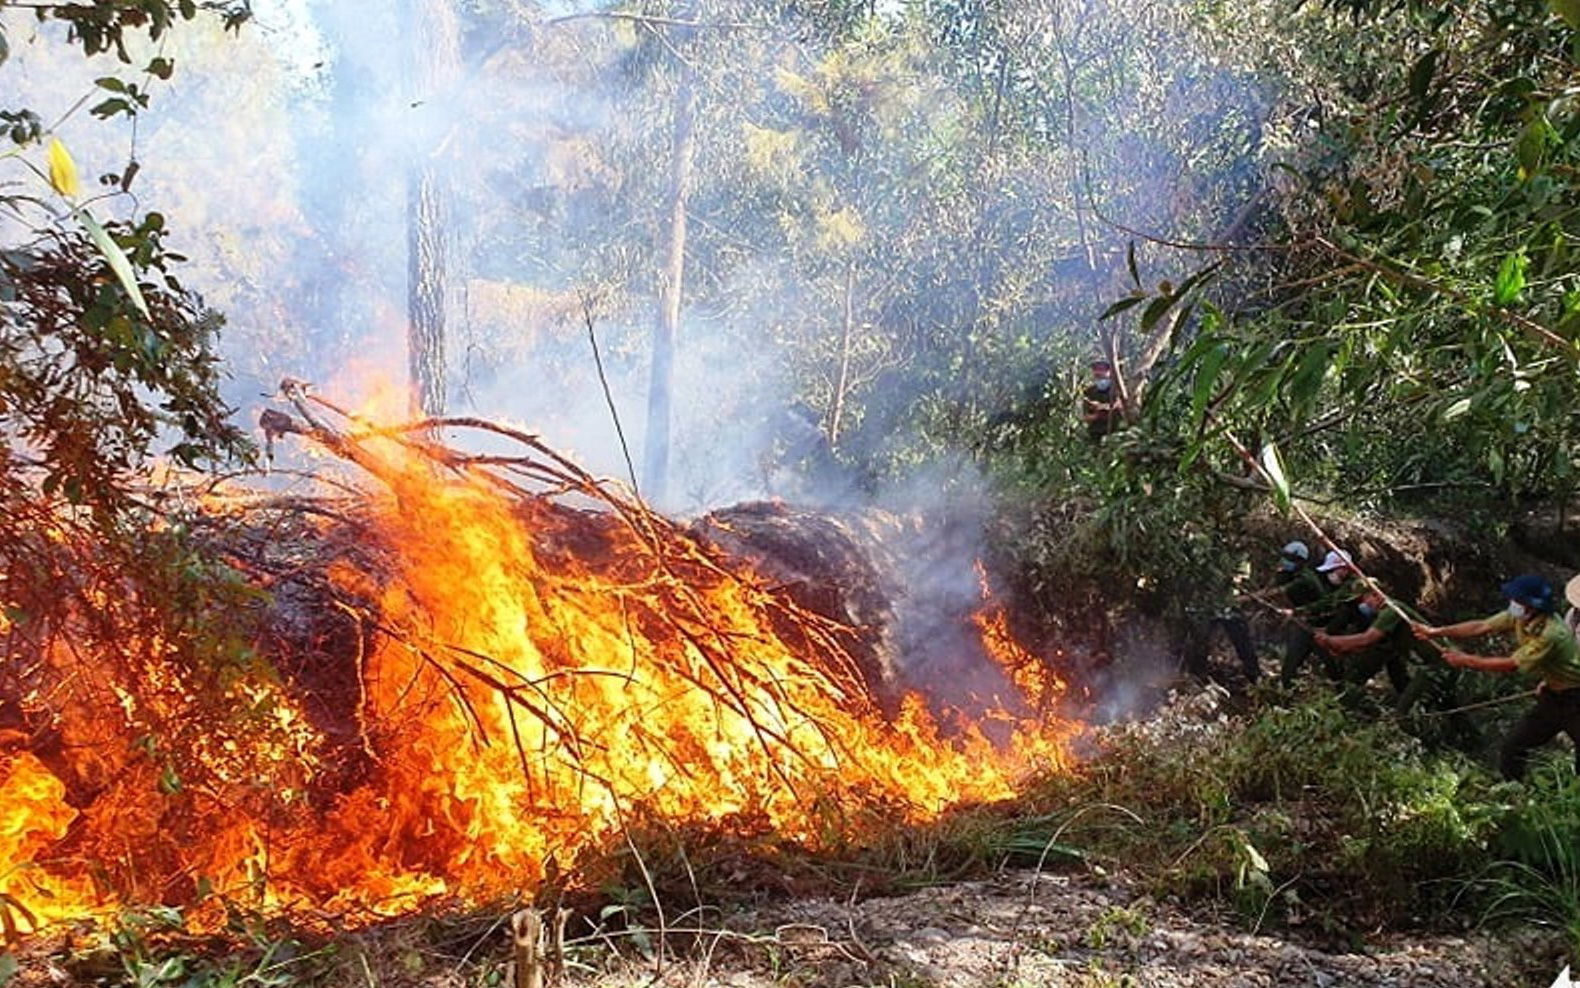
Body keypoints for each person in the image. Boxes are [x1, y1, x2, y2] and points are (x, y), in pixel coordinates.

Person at [1413, 573, 1580, 779]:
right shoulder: (1524, 616)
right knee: (1513, 746)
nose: (1513, 605)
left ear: (1533, 605)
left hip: (1575, 698)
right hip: (1553, 697)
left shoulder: (1552, 633)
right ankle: (1513, 792)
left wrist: (1467, 660)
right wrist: (1435, 631)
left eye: (1518, 601)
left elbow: (1510, 665)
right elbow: (1481, 626)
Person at [1315, 585, 1436, 710]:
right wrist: (1341, 647)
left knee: (1408, 708)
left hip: (1436, 663)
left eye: (1364, 599)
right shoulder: (1381, 616)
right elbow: (1369, 646)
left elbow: (1366, 639)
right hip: (1426, 664)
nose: (1363, 604)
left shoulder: (1392, 610)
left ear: (1376, 595)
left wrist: (1331, 640)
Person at [1081, 358, 1123, 441]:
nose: (1098, 372)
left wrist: (1101, 407)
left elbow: (1120, 406)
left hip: (1115, 433)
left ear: (1109, 371)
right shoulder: (1089, 391)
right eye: (1096, 369)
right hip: (1095, 434)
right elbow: (1086, 417)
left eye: (1102, 369)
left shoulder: (1117, 388)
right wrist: (1097, 416)